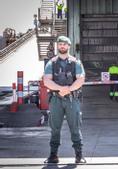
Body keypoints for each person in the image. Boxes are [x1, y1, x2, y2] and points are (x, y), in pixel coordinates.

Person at [43, 36, 86, 164]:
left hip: (72, 99)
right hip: (56, 100)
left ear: (69, 46)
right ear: (58, 46)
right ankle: (53, 155)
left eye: (64, 44)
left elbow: (80, 79)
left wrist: (68, 89)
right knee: (55, 128)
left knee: (75, 127)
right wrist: (61, 89)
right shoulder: (51, 62)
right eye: (60, 44)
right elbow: (46, 81)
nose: (62, 46)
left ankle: (79, 155)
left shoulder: (75, 62)